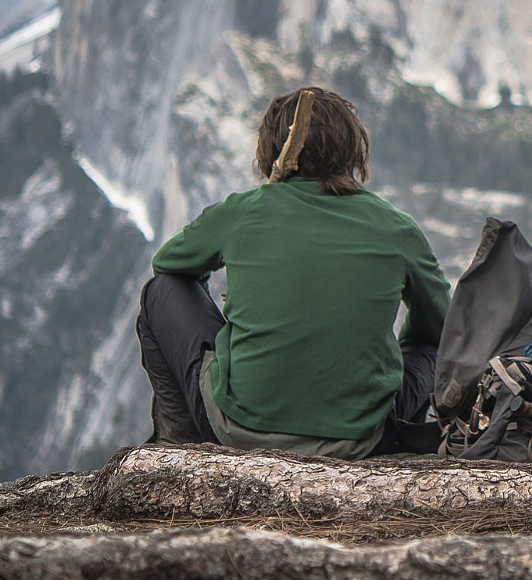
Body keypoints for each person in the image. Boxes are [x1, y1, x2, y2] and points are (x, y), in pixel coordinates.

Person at [135, 87, 450, 458]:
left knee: (161, 292)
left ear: (272, 150)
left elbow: (169, 263)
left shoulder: (243, 211)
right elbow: (443, 327)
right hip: (361, 440)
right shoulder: (398, 229)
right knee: (427, 347)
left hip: (240, 429)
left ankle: (181, 447)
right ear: (353, 151)